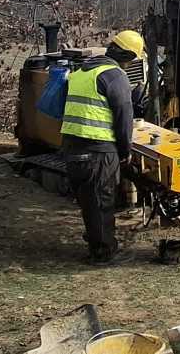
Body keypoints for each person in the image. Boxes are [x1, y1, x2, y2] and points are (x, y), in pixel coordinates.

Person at [60, 29, 145, 265]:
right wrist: (125, 152)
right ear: (128, 56)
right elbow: (123, 116)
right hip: (97, 150)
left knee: (89, 200)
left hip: (72, 147)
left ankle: (96, 239)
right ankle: (103, 252)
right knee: (102, 201)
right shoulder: (115, 75)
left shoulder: (80, 72)